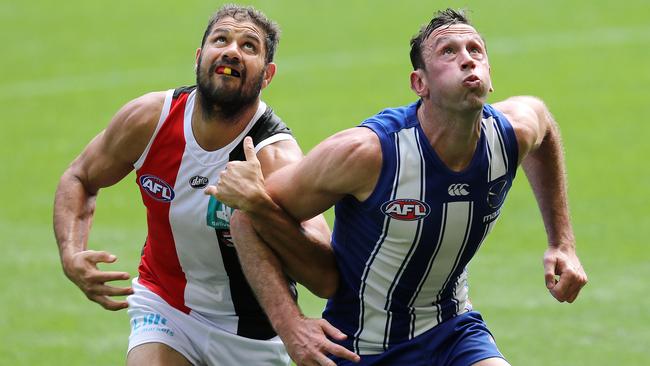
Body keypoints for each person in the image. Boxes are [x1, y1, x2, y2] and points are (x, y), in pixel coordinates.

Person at [208, 8, 588, 366]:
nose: (467, 58)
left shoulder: (513, 131)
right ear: (419, 83)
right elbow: (248, 215)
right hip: (358, 347)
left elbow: (546, 129)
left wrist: (562, 243)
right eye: (449, 51)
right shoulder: (366, 152)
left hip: (452, 331)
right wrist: (290, 326)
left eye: (475, 50)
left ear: (489, 73)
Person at [53, 4, 345, 365]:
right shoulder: (149, 120)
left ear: (267, 75)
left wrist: (261, 206)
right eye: (220, 39)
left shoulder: (274, 158)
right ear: (199, 56)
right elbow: (80, 176)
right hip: (166, 306)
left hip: (255, 335)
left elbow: (325, 276)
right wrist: (71, 252)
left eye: (249, 46)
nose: (232, 51)